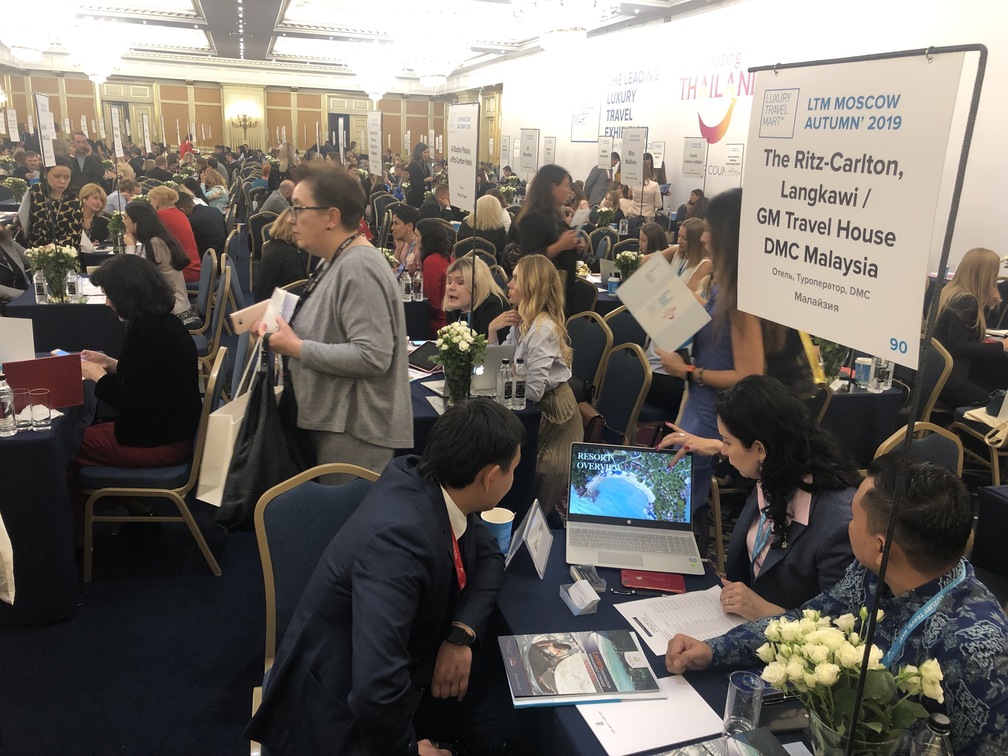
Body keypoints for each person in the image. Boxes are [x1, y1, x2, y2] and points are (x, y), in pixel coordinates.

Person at [665, 453, 1008, 756]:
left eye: (854, 518)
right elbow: (806, 622)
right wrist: (714, 650)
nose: (846, 526)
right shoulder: (872, 571)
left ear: (882, 546)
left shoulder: (976, 647)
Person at [246, 398, 530, 756]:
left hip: (397, 666)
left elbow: (488, 553)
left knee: (508, 718)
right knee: (510, 728)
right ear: (490, 477)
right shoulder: (400, 543)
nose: (513, 478)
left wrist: (461, 634)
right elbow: (375, 691)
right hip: (340, 712)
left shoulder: (421, 478)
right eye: (513, 469)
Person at [255, 162, 412, 473]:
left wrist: (296, 347)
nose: (290, 217)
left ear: (331, 217)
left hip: (354, 431)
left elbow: (373, 356)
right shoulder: (335, 259)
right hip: (334, 423)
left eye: (298, 208)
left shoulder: (359, 267)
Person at [671, 375, 860, 617]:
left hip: (780, 633)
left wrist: (766, 611)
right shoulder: (776, 471)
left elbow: (841, 625)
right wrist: (716, 447)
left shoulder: (838, 523)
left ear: (760, 449)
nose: (724, 451)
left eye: (727, 442)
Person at [655, 188, 767, 541]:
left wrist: (688, 372)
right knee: (678, 495)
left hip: (713, 415)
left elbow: (749, 375)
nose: (702, 238)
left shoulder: (741, 296)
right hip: (701, 406)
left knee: (678, 504)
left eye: (709, 230)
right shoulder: (726, 285)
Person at [76, 254, 201, 468]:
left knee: (64, 445)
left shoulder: (144, 334)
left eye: (109, 296)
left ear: (126, 297)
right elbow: (150, 379)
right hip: (176, 429)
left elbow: (130, 402)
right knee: (77, 433)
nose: (107, 303)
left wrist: (97, 375)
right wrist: (108, 363)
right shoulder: (165, 323)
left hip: (161, 441)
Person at [488, 254, 582, 515]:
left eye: (515, 278)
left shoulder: (543, 329)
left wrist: (507, 373)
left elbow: (533, 391)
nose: (508, 284)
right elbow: (499, 366)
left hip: (555, 416)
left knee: (535, 495)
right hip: (532, 408)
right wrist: (492, 331)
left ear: (531, 285)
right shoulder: (522, 320)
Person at [934, 247, 1008, 407]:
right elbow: (959, 346)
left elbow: (971, 329)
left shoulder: (950, 292)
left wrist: (991, 304)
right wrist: (1000, 346)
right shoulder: (966, 301)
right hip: (952, 379)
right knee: (997, 404)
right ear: (985, 275)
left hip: (938, 372)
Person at [511, 164, 585, 316]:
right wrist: (560, 245)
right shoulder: (533, 218)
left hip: (560, 290)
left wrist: (574, 244)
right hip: (543, 296)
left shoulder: (554, 215)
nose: (569, 191)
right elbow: (529, 259)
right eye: (566, 185)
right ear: (553, 187)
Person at [122, 201, 198, 327]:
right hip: (171, 304)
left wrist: (130, 247)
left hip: (173, 311)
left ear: (137, 222)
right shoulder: (156, 239)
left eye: (125, 218)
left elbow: (134, 277)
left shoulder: (155, 243)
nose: (123, 222)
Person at [22, 156, 84, 250]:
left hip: (61, 252)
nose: (62, 181)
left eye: (67, 177)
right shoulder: (35, 191)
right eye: (57, 176)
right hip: (32, 249)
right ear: (45, 175)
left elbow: (72, 234)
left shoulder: (74, 201)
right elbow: (23, 220)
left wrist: (50, 249)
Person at [443, 255, 508, 339]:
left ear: (477, 286)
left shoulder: (492, 308)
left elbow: (490, 347)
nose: (451, 287)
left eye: (460, 282)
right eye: (449, 282)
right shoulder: (454, 310)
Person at [147, 185, 201, 283]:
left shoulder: (160, 216)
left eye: (150, 201)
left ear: (157, 200)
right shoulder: (179, 213)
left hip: (183, 270)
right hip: (192, 267)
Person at [254, 208, 305, 301]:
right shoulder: (290, 256)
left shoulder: (274, 245)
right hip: (275, 306)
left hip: (264, 302)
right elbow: (297, 292)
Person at [416, 218, 453, 335]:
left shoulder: (431, 261)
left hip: (440, 322)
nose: (414, 239)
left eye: (417, 235)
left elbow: (433, 304)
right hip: (451, 318)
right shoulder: (449, 258)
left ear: (426, 239)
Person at [663, 217, 712, 294]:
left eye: (684, 238)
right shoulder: (678, 252)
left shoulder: (705, 264)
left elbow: (688, 294)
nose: (679, 241)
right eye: (679, 236)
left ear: (695, 241)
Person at [175, 191, 226, 259]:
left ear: (182, 210)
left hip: (209, 259)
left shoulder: (192, 221)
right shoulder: (215, 210)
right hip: (222, 254)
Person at [458, 195, 508, 260]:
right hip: (488, 264)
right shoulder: (499, 229)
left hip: (463, 261)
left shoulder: (465, 223)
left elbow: (458, 241)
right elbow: (502, 249)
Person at [626, 153, 662, 222]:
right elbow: (659, 204)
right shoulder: (654, 185)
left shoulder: (632, 183)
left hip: (633, 214)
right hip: (648, 216)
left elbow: (629, 195)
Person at [0, 227, 30, 308]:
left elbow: (30, 257)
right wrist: (24, 295)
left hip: (26, 296)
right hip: (5, 305)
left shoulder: (6, 240)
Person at [78, 183, 110, 252]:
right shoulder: (73, 219)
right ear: (84, 199)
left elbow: (105, 244)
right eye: (95, 198)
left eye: (101, 200)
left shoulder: (104, 223)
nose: (99, 202)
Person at [391, 202, 421, 273]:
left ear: (409, 226)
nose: (392, 228)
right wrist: (398, 249)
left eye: (396, 223)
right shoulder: (406, 245)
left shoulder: (419, 250)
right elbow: (393, 270)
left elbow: (419, 278)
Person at [407, 142, 433, 208]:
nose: (427, 154)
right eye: (425, 152)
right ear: (419, 153)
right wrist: (425, 180)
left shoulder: (426, 165)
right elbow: (413, 183)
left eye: (427, 152)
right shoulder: (413, 166)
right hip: (417, 197)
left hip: (426, 193)